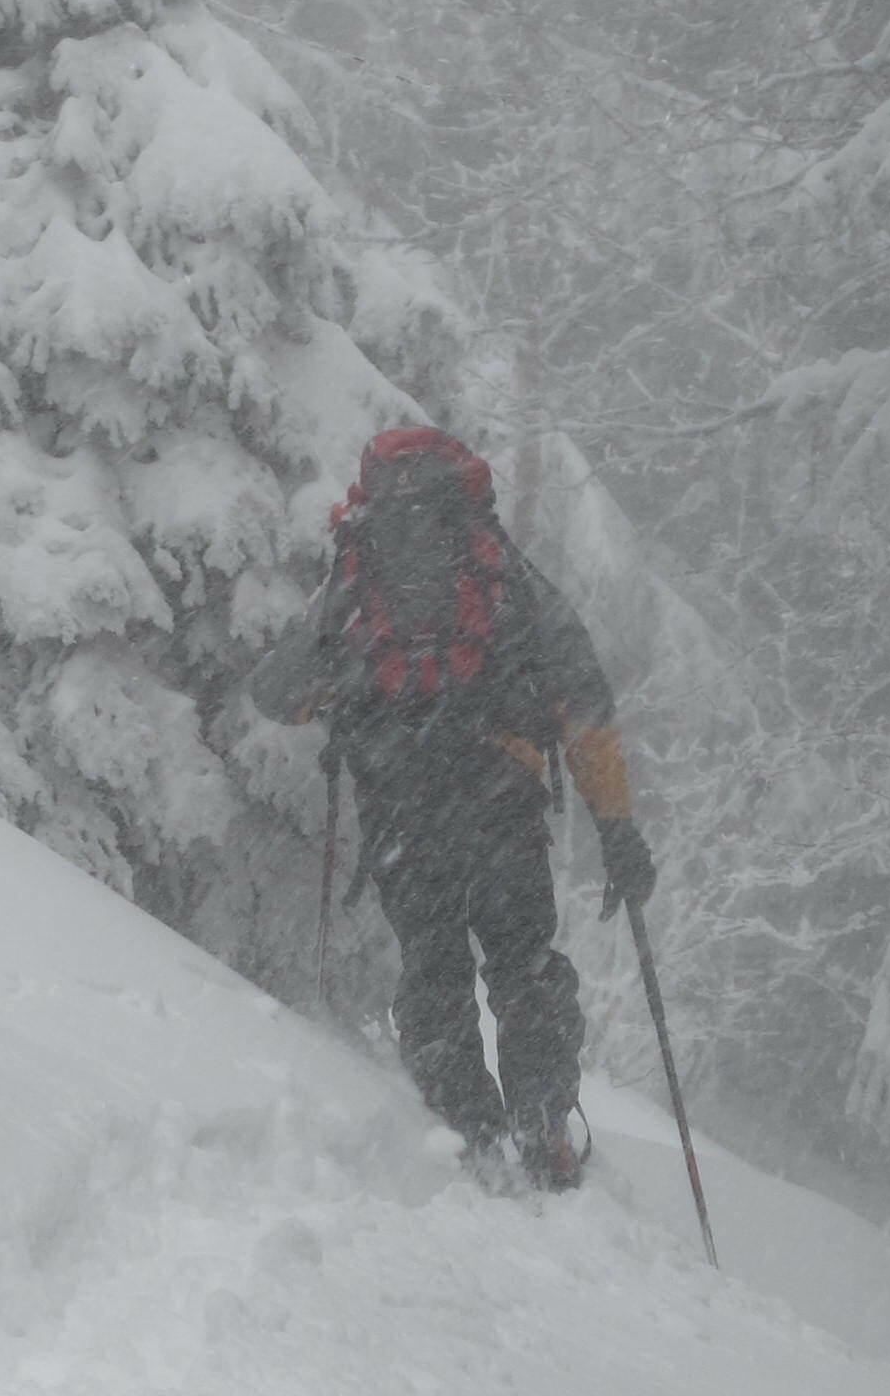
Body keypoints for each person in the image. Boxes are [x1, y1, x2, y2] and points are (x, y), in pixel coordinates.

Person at [250, 427, 652, 1190]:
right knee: (523, 963)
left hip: (402, 808)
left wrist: (346, 689)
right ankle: (543, 1129)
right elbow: (582, 700)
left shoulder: (355, 577)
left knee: (433, 969)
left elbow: (276, 694)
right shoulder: (501, 568)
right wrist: (616, 828)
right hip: (501, 798)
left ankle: (468, 1134)